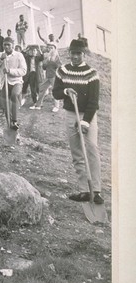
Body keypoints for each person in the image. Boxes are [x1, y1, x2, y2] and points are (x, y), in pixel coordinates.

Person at [52, 39, 104, 204]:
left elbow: (94, 101)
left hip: (88, 115)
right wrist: (66, 91)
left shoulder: (92, 73)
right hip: (70, 114)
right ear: (69, 53)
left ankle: (95, 191)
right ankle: (84, 191)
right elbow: (56, 93)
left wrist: (86, 121)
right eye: (73, 53)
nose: (75, 57)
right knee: (77, 152)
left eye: (78, 53)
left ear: (84, 54)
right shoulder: (62, 71)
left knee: (92, 150)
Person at [0, 37, 27, 131]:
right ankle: (10, 125)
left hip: (16, 81)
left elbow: (23, 70)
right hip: (4, 82)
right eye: (4, 45)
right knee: (5, 104)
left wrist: (10, 71)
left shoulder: (19, 55)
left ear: (12, 45)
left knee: (14, 95)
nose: (6, 47)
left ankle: (14, 120)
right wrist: (0, 60)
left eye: (8, 45)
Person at [32, 44, 62, 111]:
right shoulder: (47, 56)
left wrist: (51, 62)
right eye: (49, 48)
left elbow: (60, 66)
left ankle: (56, 106)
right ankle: (38, 105)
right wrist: (45, 62)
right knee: (42, 88)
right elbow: (44, 68)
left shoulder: (56, 57)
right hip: (48, 76)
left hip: (54, 76)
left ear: (54, 48)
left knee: (55, 91)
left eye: (51, 48)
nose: (50, 49)